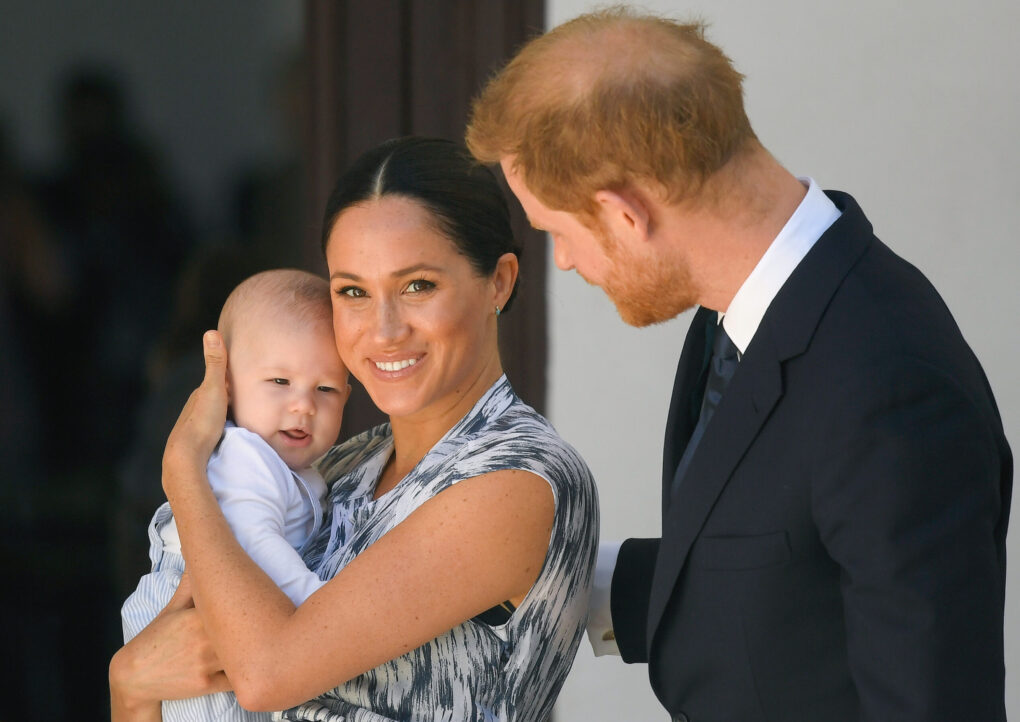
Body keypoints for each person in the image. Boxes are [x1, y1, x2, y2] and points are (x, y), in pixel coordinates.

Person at [466, 7, 1012, 722]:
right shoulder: (744, 310)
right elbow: (775, 572)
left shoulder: (890, 385)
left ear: (626, 213)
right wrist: (530, 571)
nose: (565, 261)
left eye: (558, 233)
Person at [109, 136, 599, 722]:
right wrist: (128, 684)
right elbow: (174, 686)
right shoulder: (337, 468)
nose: (384, 330)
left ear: (499, 280)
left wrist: (183, 471)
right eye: (353, 292)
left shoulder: (517, 478)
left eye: (418, 285)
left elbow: (265, 675)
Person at [120, 268, 350, 721]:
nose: (303, 405)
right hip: (191, 619)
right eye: (280, 382)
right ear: (224, 386)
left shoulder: (298, 469)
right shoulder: (246, 457)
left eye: (325, 389)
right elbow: (255, 544)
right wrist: (321, 612)